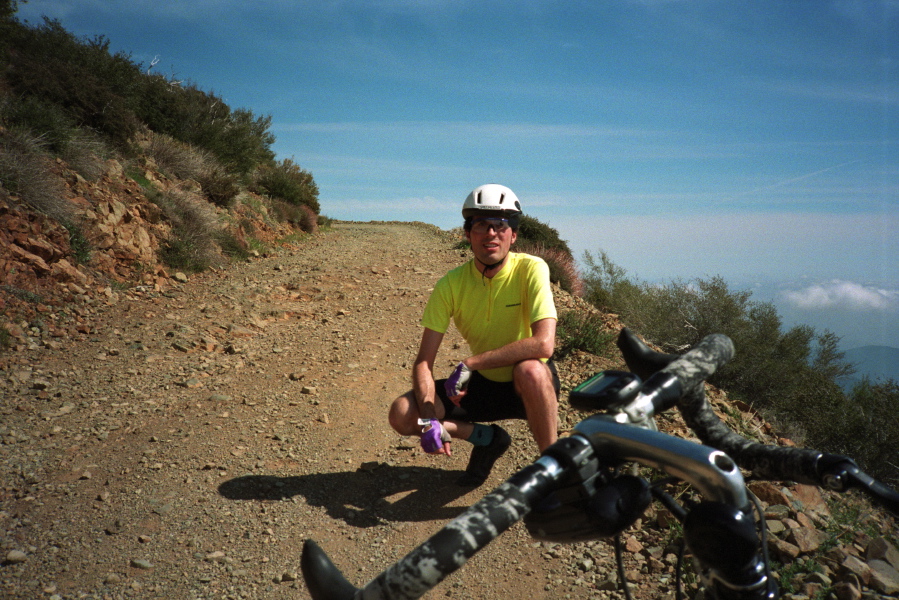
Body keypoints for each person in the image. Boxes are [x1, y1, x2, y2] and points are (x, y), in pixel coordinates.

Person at [388, 184, 560, 487]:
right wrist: (428, 419)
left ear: (513, 235)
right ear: (468, 234)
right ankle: (488, 439)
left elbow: (544, 343)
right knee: (403, 413)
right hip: (484, 386)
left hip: (529, 385)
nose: (491, 233)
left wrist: (470, 363)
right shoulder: (451, 284)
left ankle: (555, 469)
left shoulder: (532, 268)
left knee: (531, 369)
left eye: (500, 225)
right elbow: (423, 363)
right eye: (481, 225)